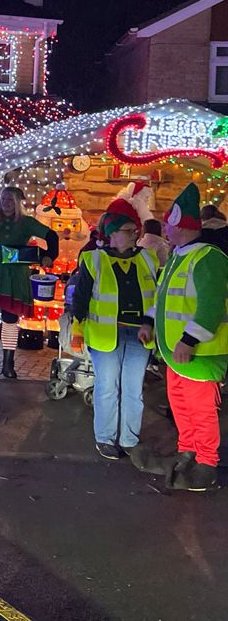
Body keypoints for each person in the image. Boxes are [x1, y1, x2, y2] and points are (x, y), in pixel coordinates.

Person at [133, 183, 228, 492]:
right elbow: (161, 297)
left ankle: (206, 464)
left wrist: (189, 340)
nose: (165, 229)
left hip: (198, 353)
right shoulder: (177, 257)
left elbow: (211, 306)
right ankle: (187, 450)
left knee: (201, 411)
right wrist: (149, 323)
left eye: (168, 224)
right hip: (175, 353)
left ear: (182, 227)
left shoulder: (208, 258)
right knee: (181, 407)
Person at [67, 198, 159, 460]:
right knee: (107, 387)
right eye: (128, 231)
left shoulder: (149, 259)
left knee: (133, 388)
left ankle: (130, 439)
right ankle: (105, 439)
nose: (134, 235)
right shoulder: (95, 259)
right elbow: (81, 298)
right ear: (113, 234)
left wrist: (150, 323)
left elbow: (157, 296)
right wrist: (78, 330)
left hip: (140, 334)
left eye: (135, 230)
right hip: (106, 334)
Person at [0, 186, 59, 379]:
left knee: (10, 318)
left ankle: (8, 363)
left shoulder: (26, 222)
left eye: (10, 200)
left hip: (15, 271)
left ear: (17, 202)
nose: (5, 203)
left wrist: (49, 256)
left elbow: (51, 236)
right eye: (3, 199)